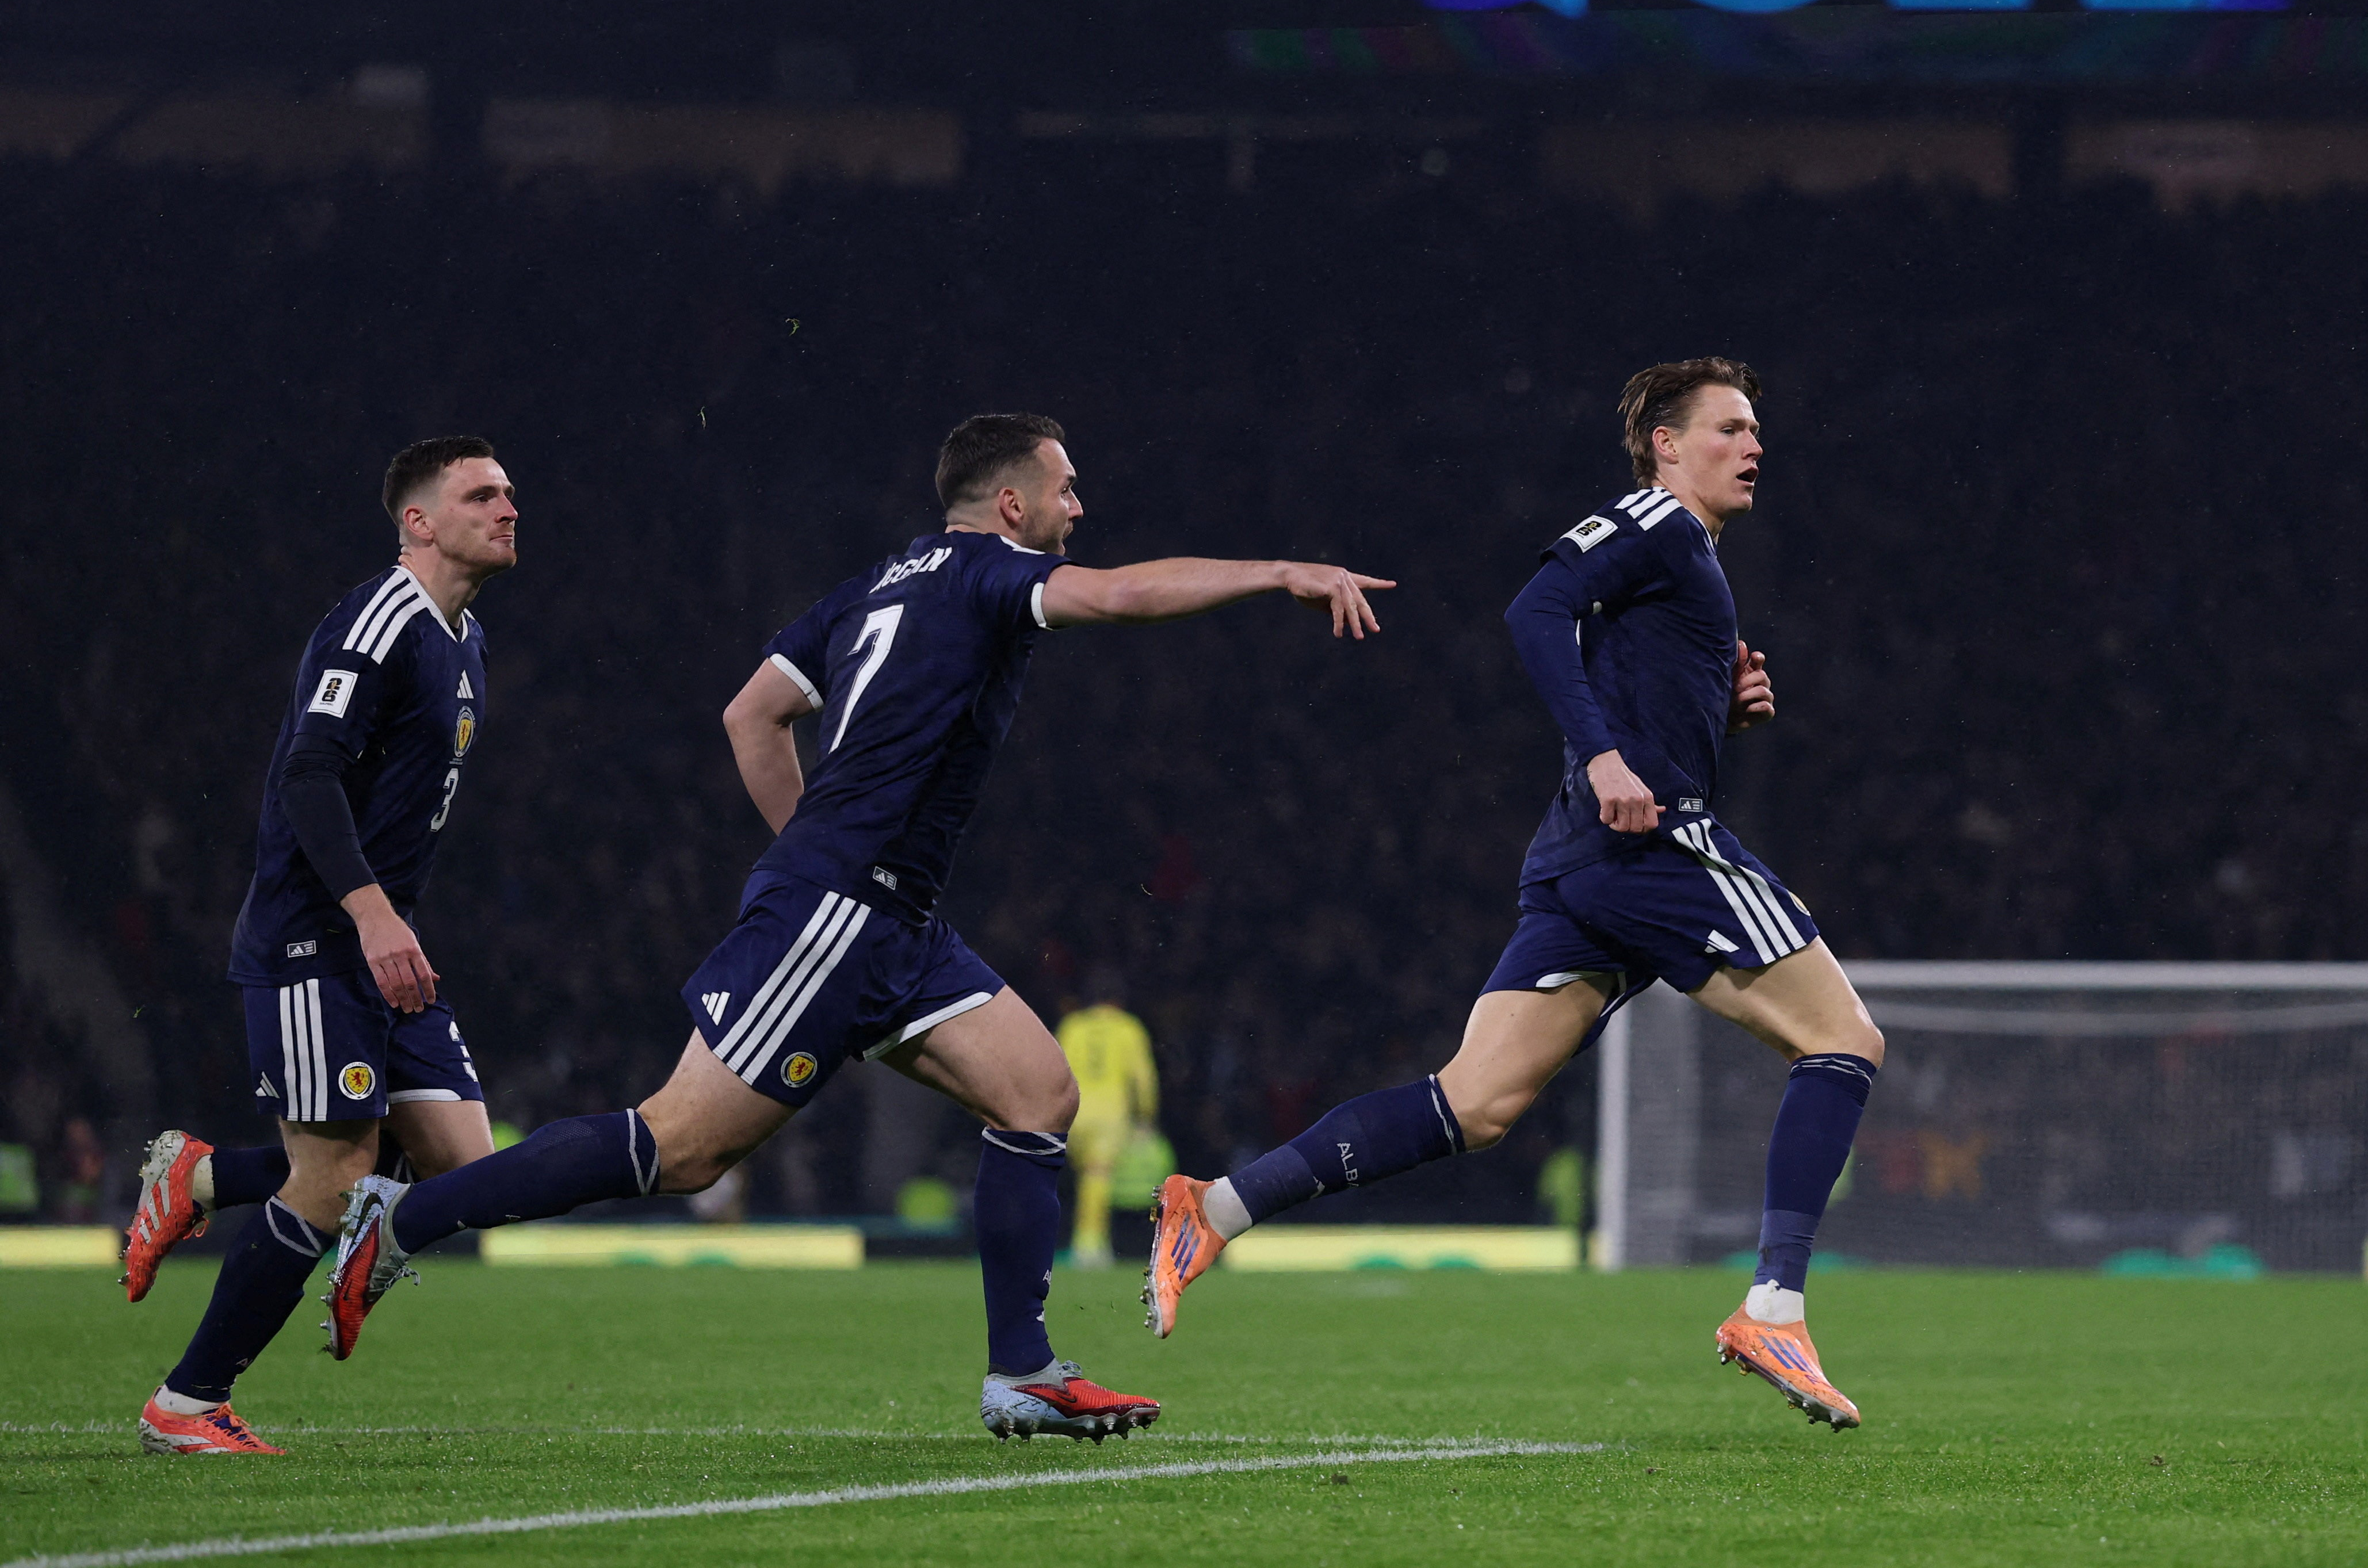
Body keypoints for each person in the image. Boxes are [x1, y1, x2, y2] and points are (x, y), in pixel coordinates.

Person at [320, 413, 1391, 1442]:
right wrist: (1278, 573)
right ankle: (401, 1221)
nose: (1081, 504)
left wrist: (812, 843)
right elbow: (1114, 597)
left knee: (1038, 1091)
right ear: (1010, 504)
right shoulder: (987, 572)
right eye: (1065, 488)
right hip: (843, 911)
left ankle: (1022, 1374)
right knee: (678, 1149)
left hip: (890, 918)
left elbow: (753, 711)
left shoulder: (873, 585)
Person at [1144, 359, 1885, 1429]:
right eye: (1727, 427)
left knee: (1473, 1105)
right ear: (1663, 447)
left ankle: (1211, 1207)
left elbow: (1616, 668)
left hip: (1587, 863)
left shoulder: (1692, 560)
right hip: (1651, 845)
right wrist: (1604, 758)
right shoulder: (1655, 521)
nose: (1751, 444)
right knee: (1843, 1045)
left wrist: (1717, 713)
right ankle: (1773, 1305)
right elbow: (1535, 608)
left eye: (1755, 428)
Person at [133, 439, 518, 1455]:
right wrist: (372, 911)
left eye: (510, 493)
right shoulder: (378, 622)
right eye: (482, 494)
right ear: (418, 523)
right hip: (320, 936)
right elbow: (308, 774)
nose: (509, 507)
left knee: (465, 1168)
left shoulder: (465, 638)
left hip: (378, 941)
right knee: (339, 1174)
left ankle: (203, 1181)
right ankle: (187, 1405)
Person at [1056, 974, 1159, 1269]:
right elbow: (1143, 1078)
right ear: (1119, 1001)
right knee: (1097, 1176)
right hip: (1111, 1113)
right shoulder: (1128, 1028)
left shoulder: (1072, 1026)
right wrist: (1147, 1116)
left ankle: (1082, 1241)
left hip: (1073, 1110)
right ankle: (1089, 1245)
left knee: (1084, 1176)